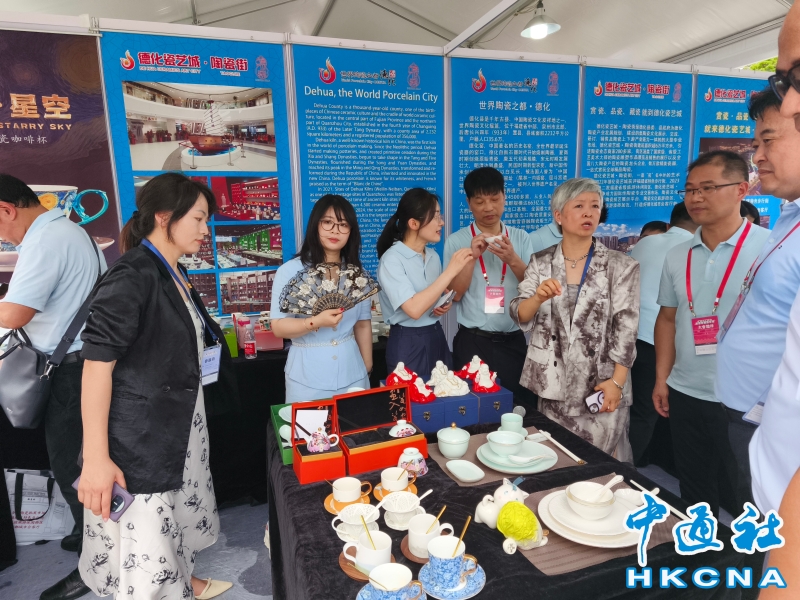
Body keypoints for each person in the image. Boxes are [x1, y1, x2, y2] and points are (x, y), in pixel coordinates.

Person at [77, 173, 237, 600]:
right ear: (165, 217)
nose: (206, 229)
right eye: (199, 218)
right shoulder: (132, 274)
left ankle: (183, 580)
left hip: (176, 423)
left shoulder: (173, 271)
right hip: (141, 436)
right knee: (145, 534)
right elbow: (96, 368)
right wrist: (96, 458)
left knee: (175, 517)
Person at [0, 174, 106, 600]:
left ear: (6, 209)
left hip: (71, 370)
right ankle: (88, 534)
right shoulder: (70, 231)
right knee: (78, 461)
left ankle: (97, 563)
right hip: (78, 364)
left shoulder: (45, 241)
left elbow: (15, 314)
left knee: (75, 467)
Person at [654, 151, 770, 518]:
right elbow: (667, 319)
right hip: (686, 390)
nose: (696, 197)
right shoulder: (678, 254)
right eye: (690, 189)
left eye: (708, 188)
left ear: (741, 189)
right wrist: (662, 378)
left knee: (748, 495)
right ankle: (699, 549)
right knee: (694, 489)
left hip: (747, 400)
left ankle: (749, 556)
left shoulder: (769, 249)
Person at [510, 178, 640, 462]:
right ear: (558, 215)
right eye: (579, 206)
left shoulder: (621, 265)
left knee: (600, 463)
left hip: (602, 383)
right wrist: (537, 298)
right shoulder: (541, 262)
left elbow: (627, 329)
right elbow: (519, 312)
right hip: (553, 382)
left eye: (595, 206)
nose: (588, 213)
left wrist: (617, 383)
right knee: (556, 458)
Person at [715, 87, 800, 513]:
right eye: (755, 144)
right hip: (746, 411)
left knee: (771, 534)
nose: (757, 157)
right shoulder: (788, 216)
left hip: (771, 423)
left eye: (769, 140)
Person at [444, 167, 536, 408]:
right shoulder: (456, 240)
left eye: (494, 199)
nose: (488, 208)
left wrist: (512, 259)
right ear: (469, 203)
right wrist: (471, 258)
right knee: (473, 409)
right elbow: (455, 295)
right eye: (480, 201)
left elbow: (534, 288)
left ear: (504, 197)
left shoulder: (521, 237)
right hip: (472, 341)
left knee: (516, 408)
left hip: (513, 340)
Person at [270, 195, 373, 402]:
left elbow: (362, 324)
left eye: (343, 224)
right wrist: (315, 322)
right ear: (315, 225)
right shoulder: (289, 272)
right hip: (307, 378)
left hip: (353, 374)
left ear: (351, 231)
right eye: (327, 222)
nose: (335, 230)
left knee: (355, 422)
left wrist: (367, 365)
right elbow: (278, 327)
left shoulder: (357, 274)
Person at [376, 188, 473, 377]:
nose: (441, 222)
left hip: (436, 335)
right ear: (413, 223)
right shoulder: (391, 259)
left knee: (444, 391)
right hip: (407, 341)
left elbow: (431, 298)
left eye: (440, 215)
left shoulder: (432, 256)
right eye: (435, 217)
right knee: (411, 394)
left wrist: (442, 304)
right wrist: (451, 271)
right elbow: (413, 309)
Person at [628, 203, 696, 466]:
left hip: (628, 336)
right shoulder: (694, 249)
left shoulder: (645, 243)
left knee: (628, 408)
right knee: (646, 411)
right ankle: (628, 470)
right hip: (661, 341)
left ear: (669, 224)